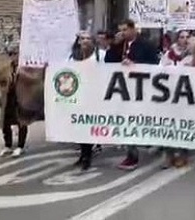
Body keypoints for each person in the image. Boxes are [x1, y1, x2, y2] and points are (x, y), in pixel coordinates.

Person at [105, 19, 159, 171]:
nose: (123, 33)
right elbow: (108, 62)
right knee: (128, 122)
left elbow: (154, 64)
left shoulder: (146, 45)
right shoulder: (119, 45)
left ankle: (155, 143)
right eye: (121, 30)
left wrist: (135, 65)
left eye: (125, 30)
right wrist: (114, 45)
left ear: (133, 29)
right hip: (123, 91)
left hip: (141, 90)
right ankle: (132, 155)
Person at [159, 30, 195, 168]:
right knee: (168, 126)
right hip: (170, 95)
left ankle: (183, 154)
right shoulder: (169, 54)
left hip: (188, 95)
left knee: (183, 126)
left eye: (187, 37)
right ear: (177, 39)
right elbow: (160, 69)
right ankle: (169, 155)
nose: (184, 39)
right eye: (182, 37)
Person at [68, 31, 105, 170]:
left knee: (89, 126)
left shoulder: (100, 56)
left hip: (94, 96)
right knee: (80, 127)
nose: (85, 41)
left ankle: (87, 157)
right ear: (78, 41)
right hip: (78, 96)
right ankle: (83, 154)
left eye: (88, 38)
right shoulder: (73, 57)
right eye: (82, 38)